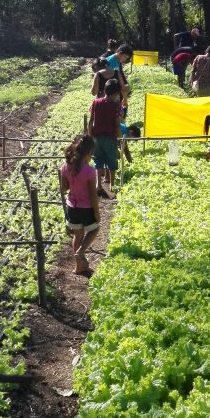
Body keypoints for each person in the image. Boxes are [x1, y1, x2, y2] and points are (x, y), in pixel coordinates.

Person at [59, 134, 100, 277]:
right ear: (88, 153)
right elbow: (93, 195)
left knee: (78, 234)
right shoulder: (89, 171)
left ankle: (79, 267)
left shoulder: (65, 167)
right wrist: (97, 212)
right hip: (86, 208)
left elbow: (63, 188)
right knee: (94, 230)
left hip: (71, 207)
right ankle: (81, 252)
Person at [88, 77, 122, 197]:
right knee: (112, 161)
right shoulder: (116, 106)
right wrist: (119, 137)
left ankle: (99, 184)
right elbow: (117, 124)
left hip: (97, 137)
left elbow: (91, 121)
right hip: (110, 137)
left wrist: (90, 135)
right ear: (116, 93)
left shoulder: (96, 102)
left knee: (98, 160)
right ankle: (112, 185)